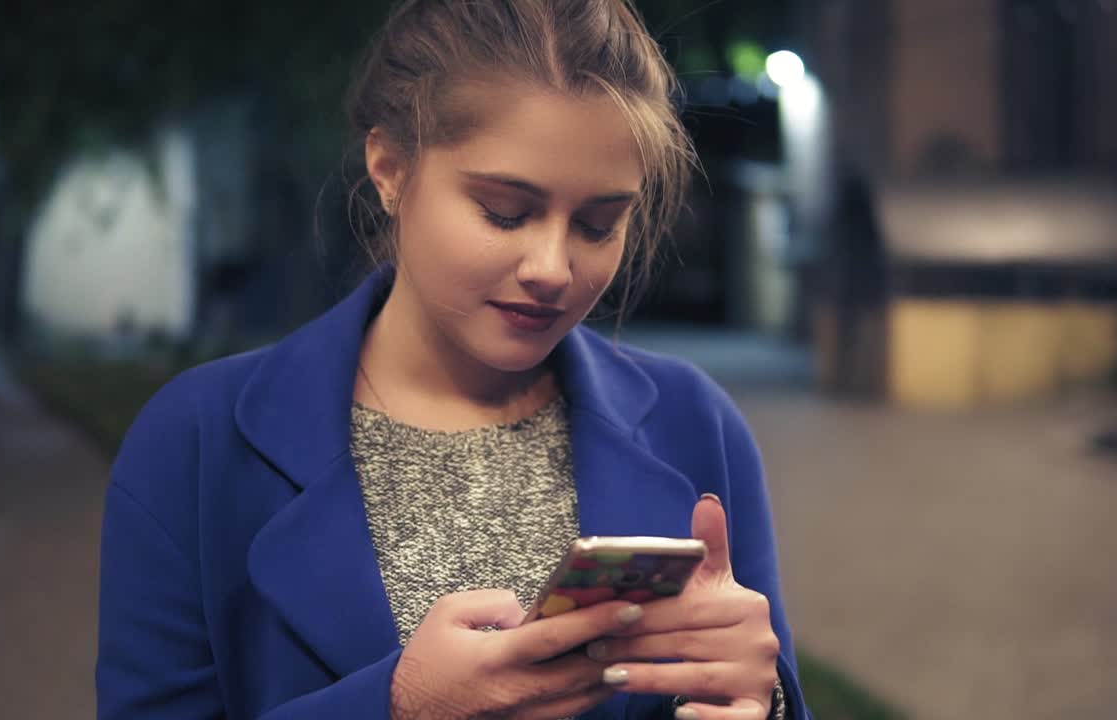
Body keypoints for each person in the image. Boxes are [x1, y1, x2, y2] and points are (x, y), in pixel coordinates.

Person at [96, 1, 810, 718]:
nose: (552, 268)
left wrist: (764, 700)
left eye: (598, 225)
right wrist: (398, 705)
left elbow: (753, 691)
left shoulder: (695, 423)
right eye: (505, 211)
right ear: (389, 168)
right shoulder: (196, 442)